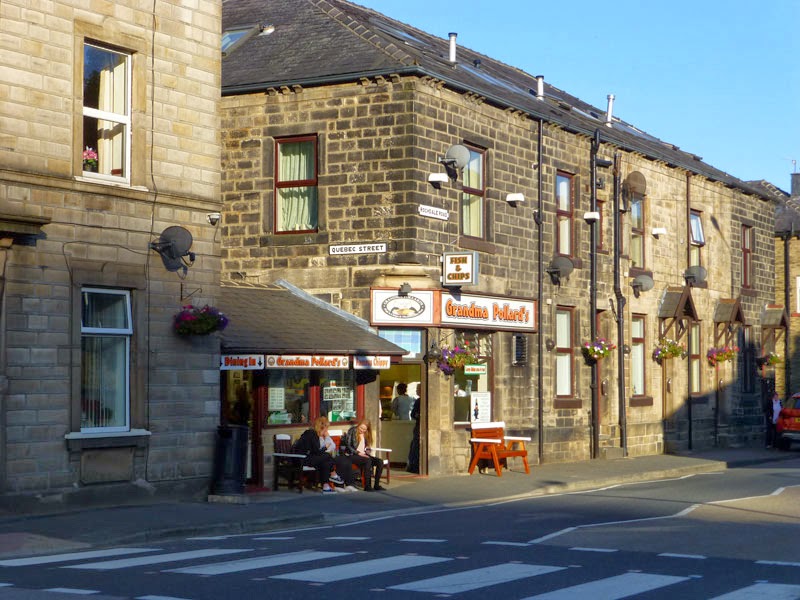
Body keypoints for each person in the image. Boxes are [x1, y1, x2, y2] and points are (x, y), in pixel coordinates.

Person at [292, 416, 338, 493]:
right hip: (302, 459)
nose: (327, 431)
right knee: (327, 456)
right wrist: (325, 447)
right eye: (326, 428)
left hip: (308, 457)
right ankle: (332, 475)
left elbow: (316, 452)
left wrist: (325, 440)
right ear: (322, 427)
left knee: (325, 461)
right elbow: (317, 451)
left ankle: (326, 486)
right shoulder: (311, 434)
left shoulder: (313, 434)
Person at [341, 419, 385, 491]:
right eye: (361, 428)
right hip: (352, 454)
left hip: (363, 454)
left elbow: (366, 446)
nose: (362, 430)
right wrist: (358, 453)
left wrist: (367, 450)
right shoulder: (353, 430)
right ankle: (367, 486)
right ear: (358, 425)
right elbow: (348, 445)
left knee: (380, 462)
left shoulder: (366, 434)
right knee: (367, 460)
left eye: (364, 429)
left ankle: (376, 485)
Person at [407, 395, 421, 474]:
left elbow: (412, 414)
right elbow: (413, 414)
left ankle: (414, 466)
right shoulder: (418, 401)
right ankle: (414, 466)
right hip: (418, 426)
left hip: (418, 427)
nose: (416, 391)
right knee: (415, 445)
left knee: (415, 446)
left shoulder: (418, 401)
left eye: (417, 389)